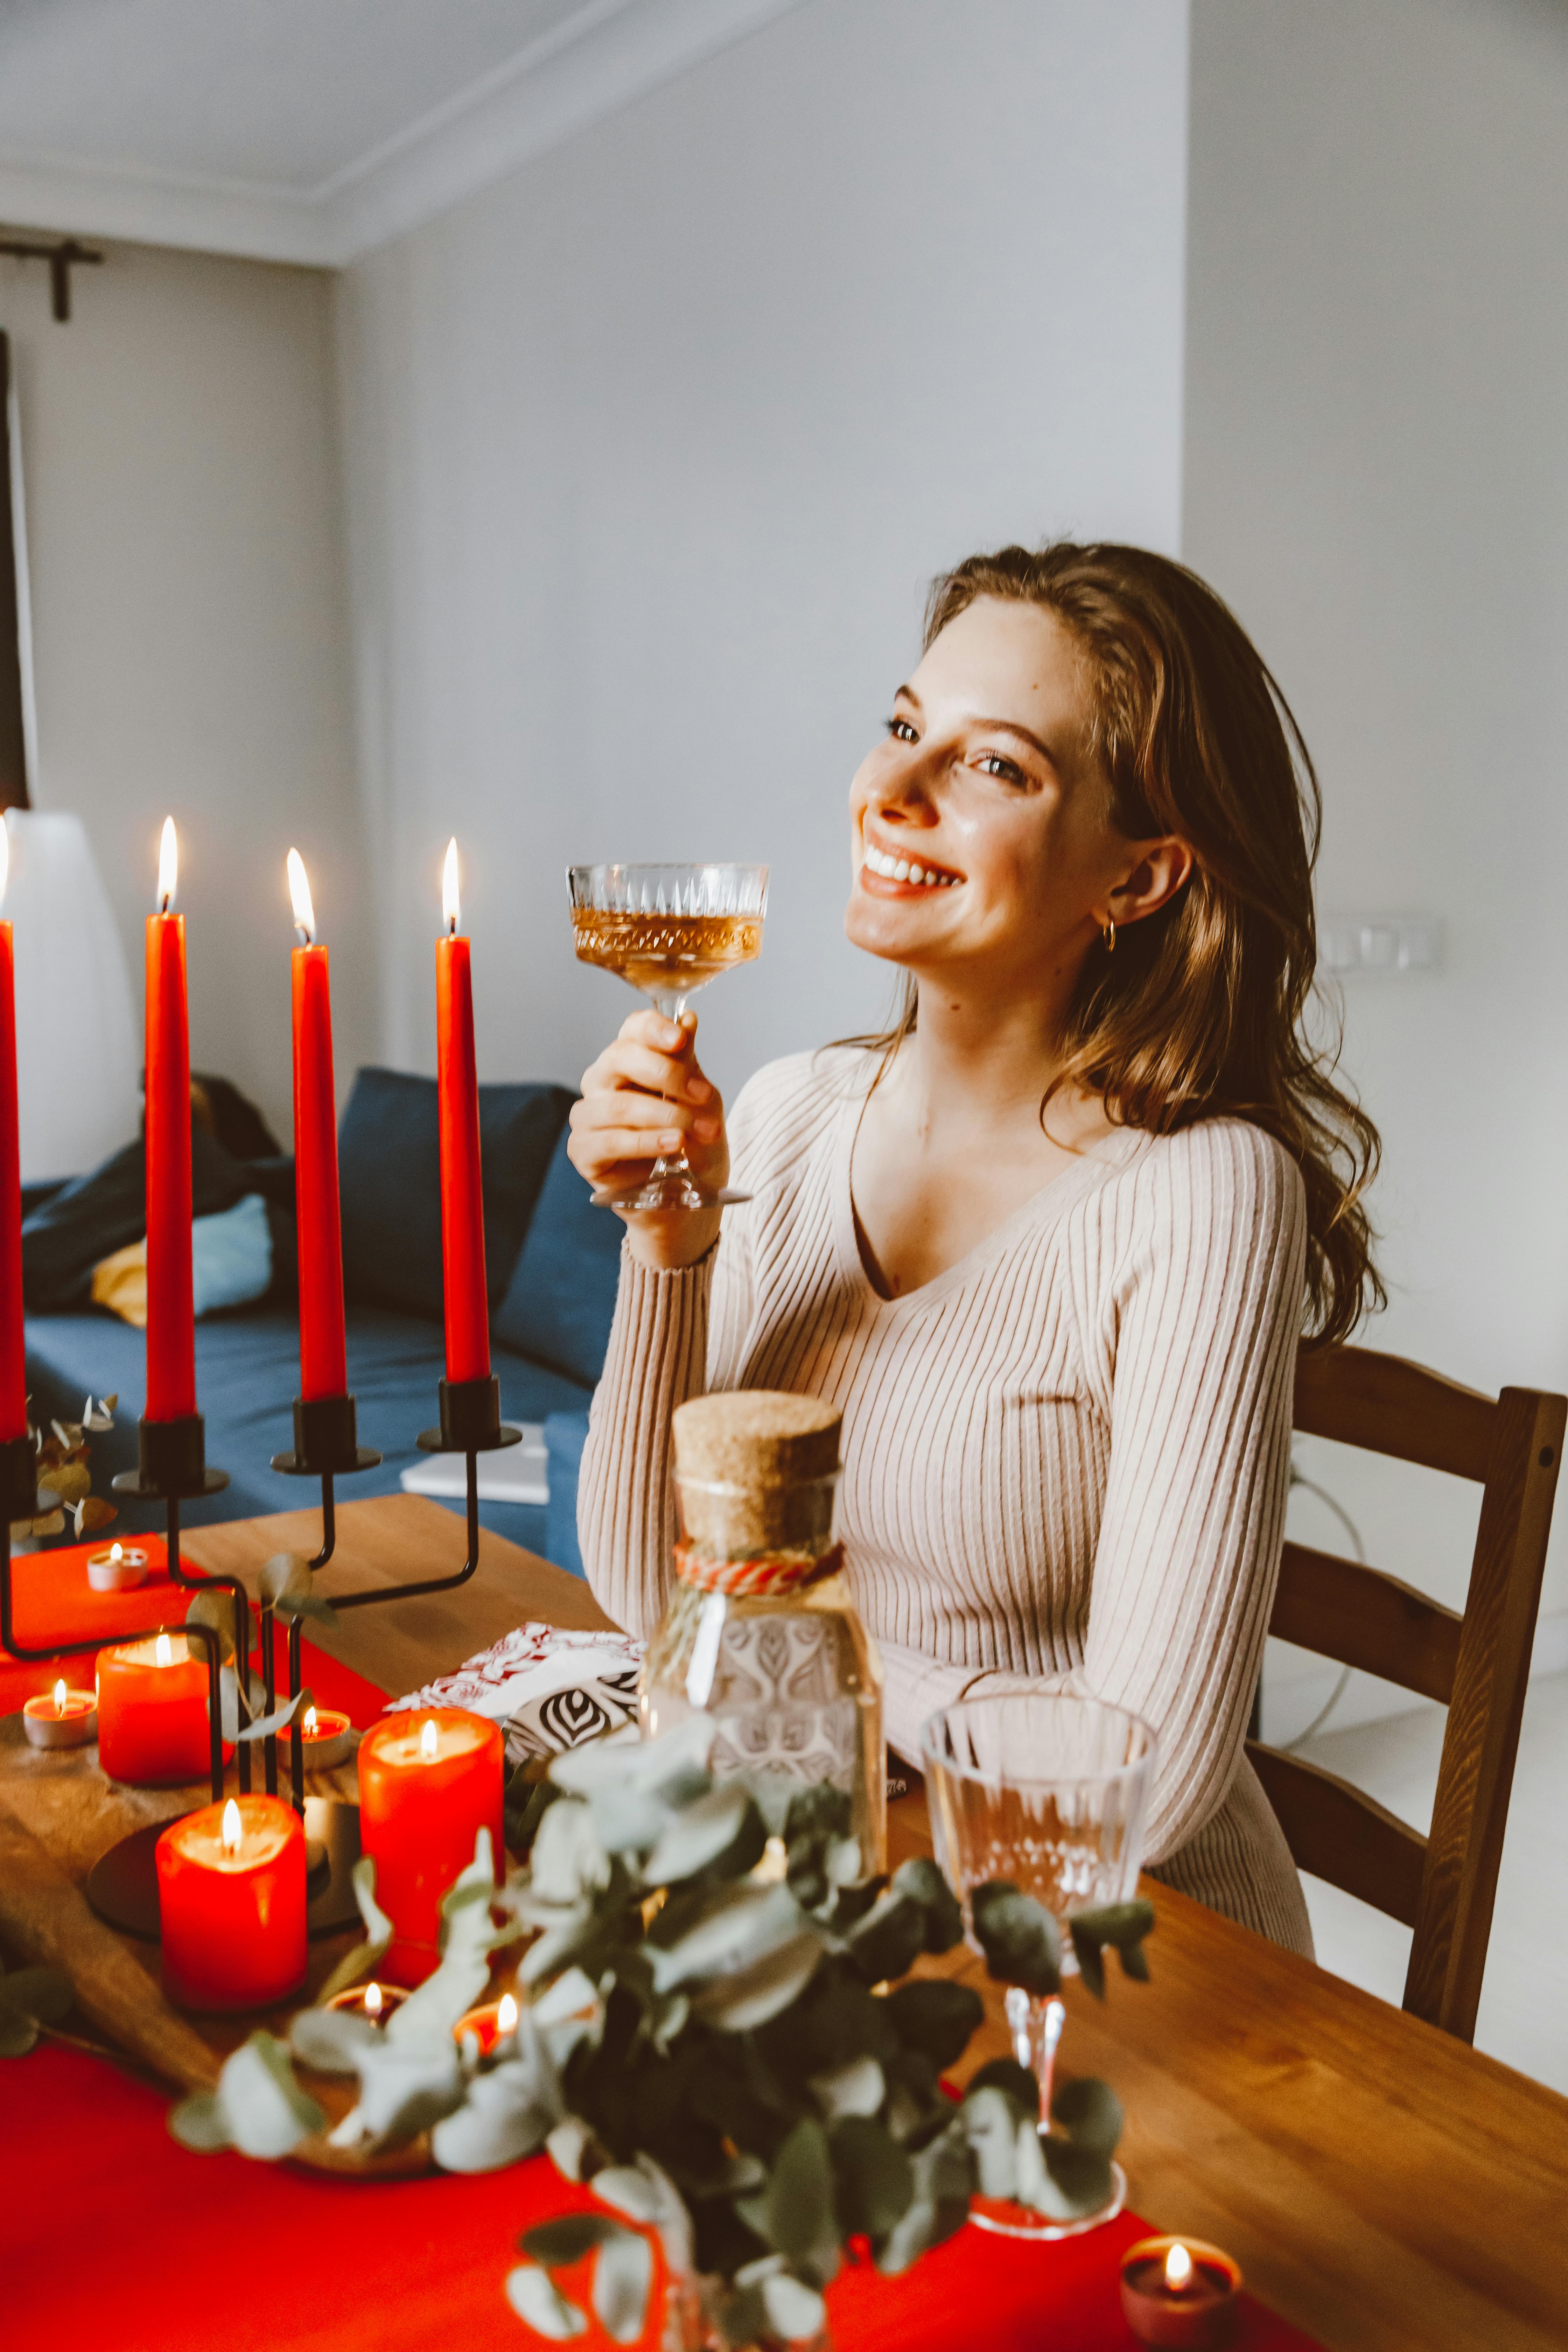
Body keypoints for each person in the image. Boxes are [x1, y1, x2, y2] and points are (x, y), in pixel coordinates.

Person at [569, 540, 1381, 1953]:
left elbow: (1151, 1768)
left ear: (1137, 880)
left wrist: (801, 1685)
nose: (886, 794)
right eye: (902, 730)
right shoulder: (784, 1115)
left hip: (1127, 1952)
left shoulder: (1201, 1195)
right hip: (856, 1884)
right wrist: (669, 1245)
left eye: (992, 766)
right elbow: (653, 1599)